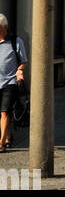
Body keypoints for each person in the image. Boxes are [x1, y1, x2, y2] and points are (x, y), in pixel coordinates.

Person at [0, 15, 25, 153]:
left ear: (5, 28)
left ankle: (1, 142)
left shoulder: (16, 41)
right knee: (2, 113)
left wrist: (20, 70)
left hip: (10, 82)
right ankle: (8, 137)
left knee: (5, 111)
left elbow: (23, 60)